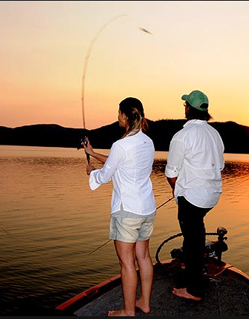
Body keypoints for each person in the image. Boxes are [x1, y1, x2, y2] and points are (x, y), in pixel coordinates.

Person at [82, 97, 156, 316]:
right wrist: (93, 153)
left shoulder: (120, 145)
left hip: (127, 212)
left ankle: (128, 312)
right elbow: (121, 163)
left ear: (124, 116)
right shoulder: (147, 142)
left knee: (126, 263)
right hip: (147, 209)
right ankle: (144, 303)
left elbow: (105, 176)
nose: (117, 117)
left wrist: (91, 172)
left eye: (118, 113)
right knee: (143, 257)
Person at [165, 89, 225, 301]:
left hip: (192, 198)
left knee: (192, 240)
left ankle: (193, 290)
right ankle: (192, 273)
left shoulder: (182, 136)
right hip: (212, 196)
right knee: (196, 233)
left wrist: (177, 192)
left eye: (186, 105)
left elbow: (171, 173)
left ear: (188, 109)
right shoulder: (215, 134)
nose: (185, 108)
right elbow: (219, 168)